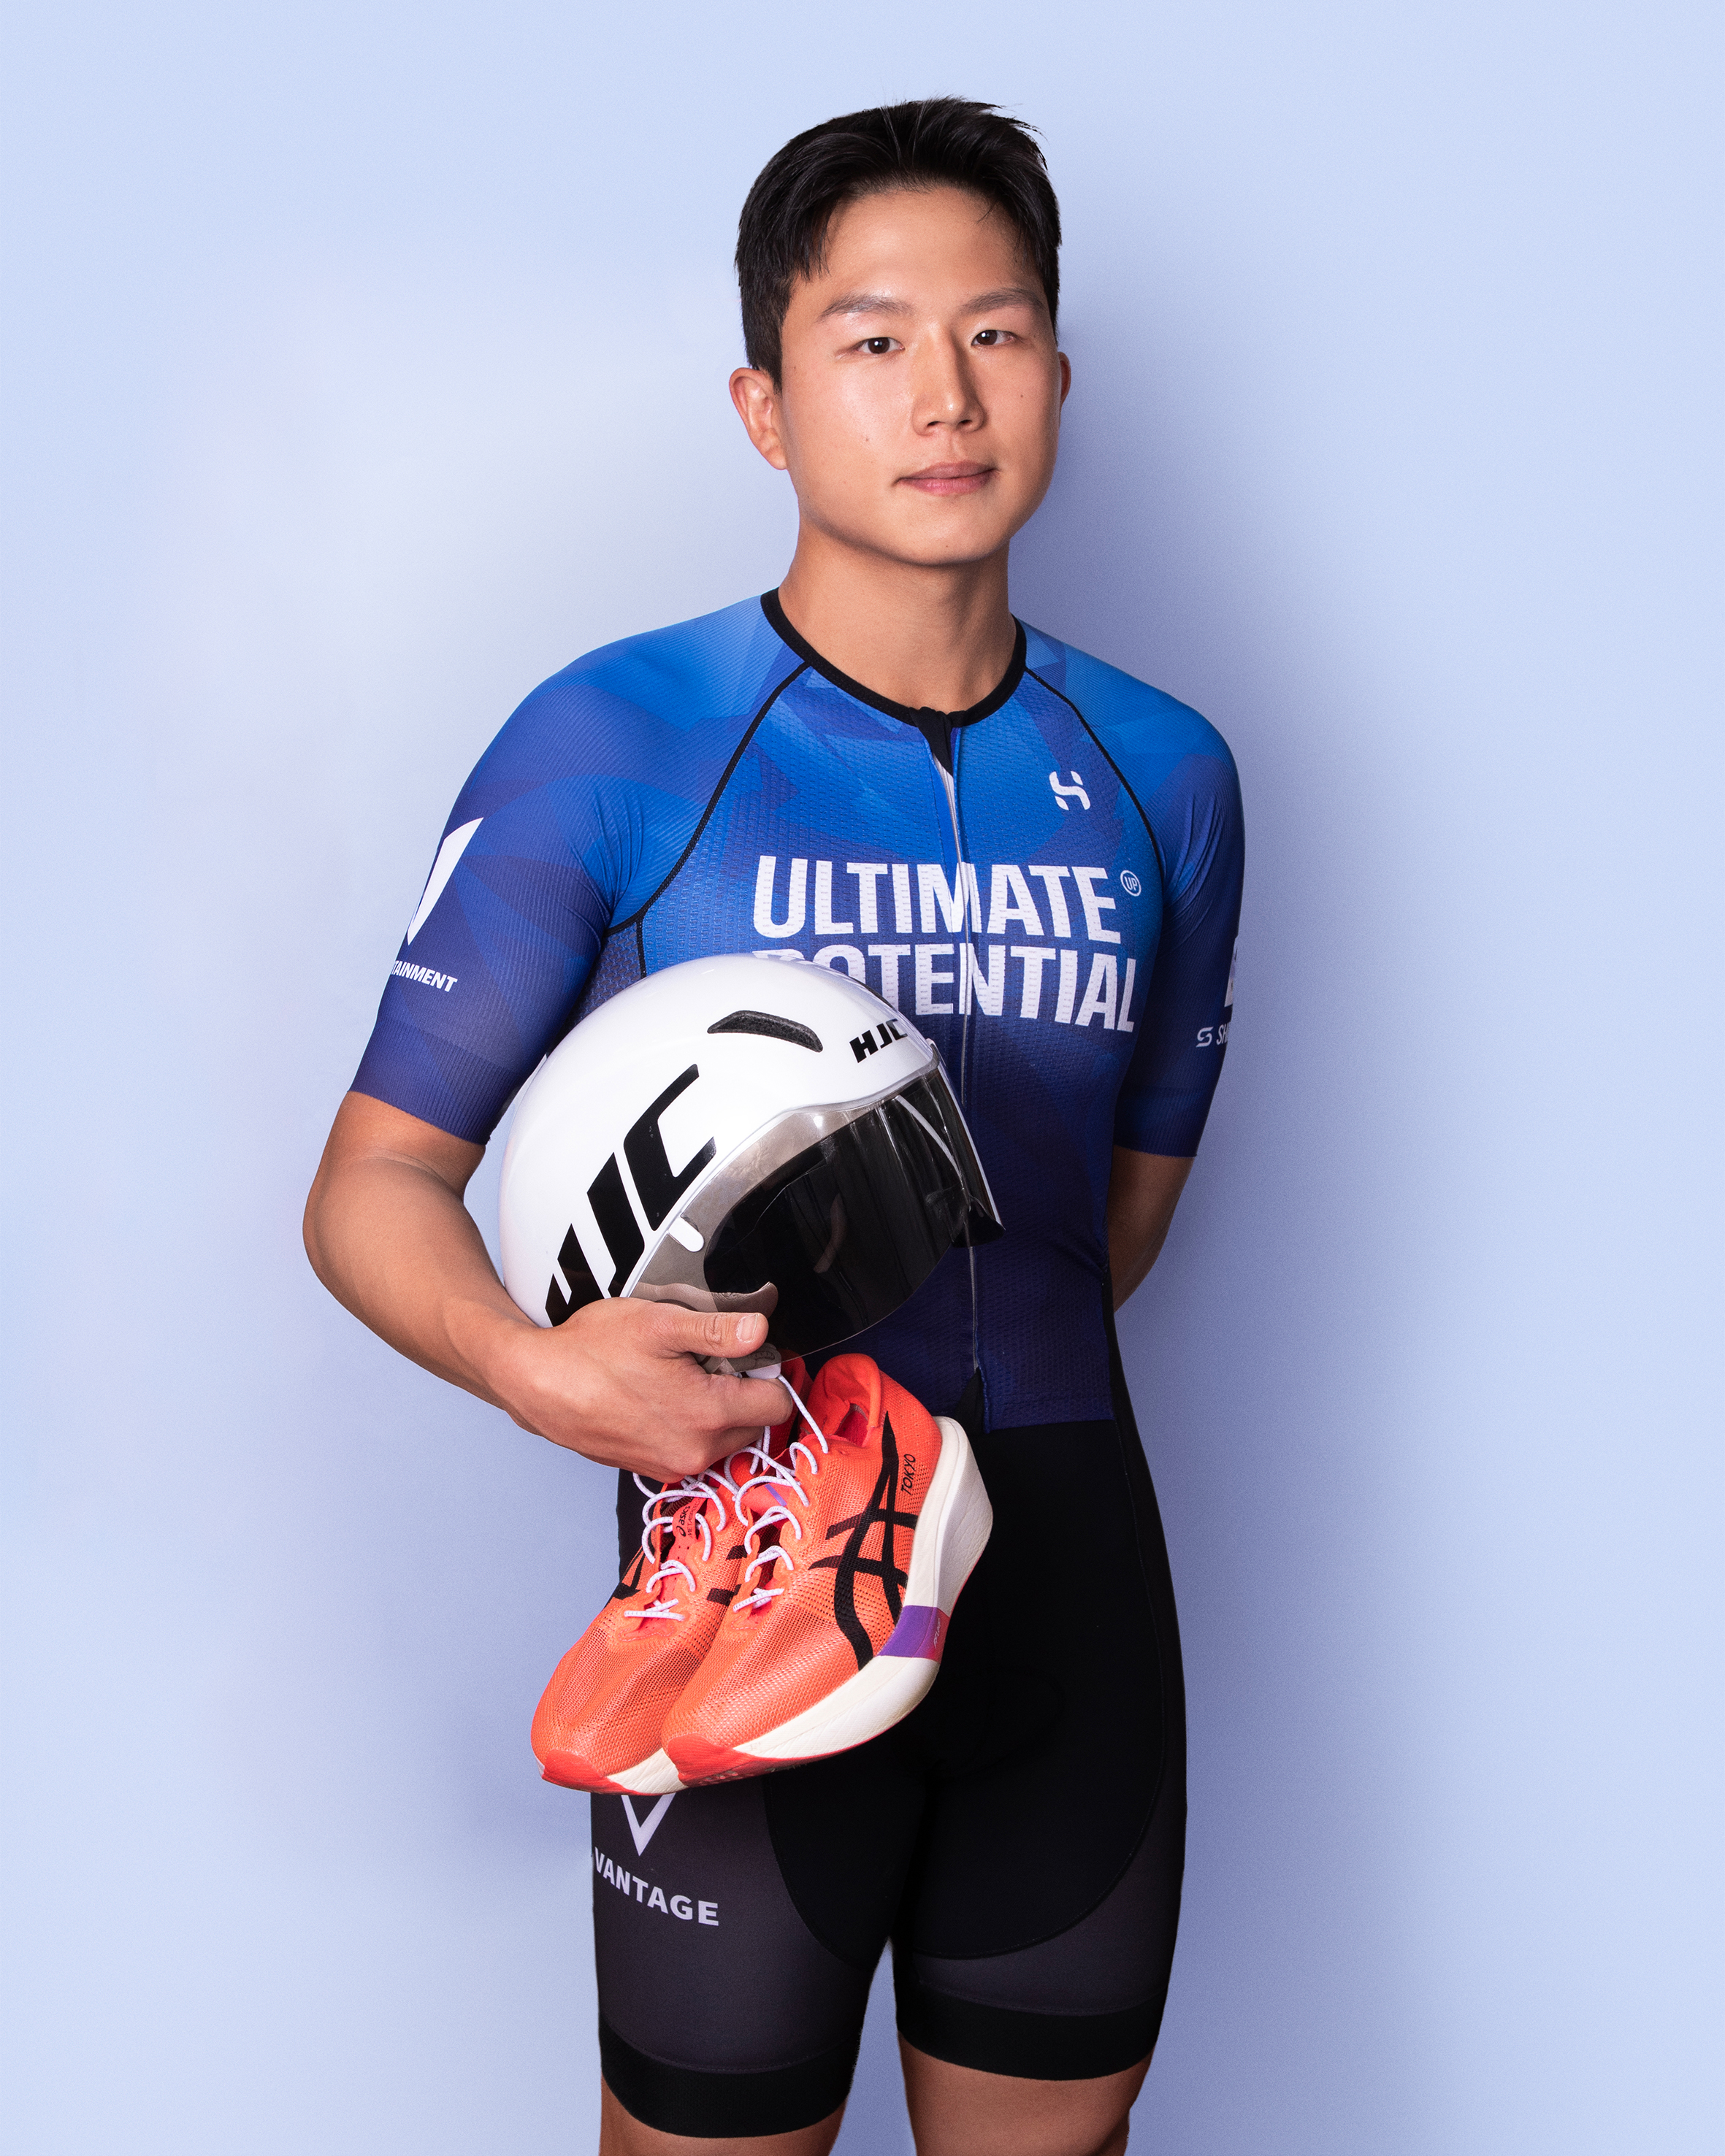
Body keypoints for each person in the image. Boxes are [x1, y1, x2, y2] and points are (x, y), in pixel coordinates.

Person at [305, 97, 1243, 2156]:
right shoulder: (617, 742)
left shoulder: (1168, 774)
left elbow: (1110, 1228)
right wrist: (539, 1370)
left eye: (996, 333)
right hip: (743, 1598)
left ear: (1058, 374)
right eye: (873, 338)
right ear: (764, 403)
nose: (945, 394)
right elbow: (371, 1185)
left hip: (1072, 1600)